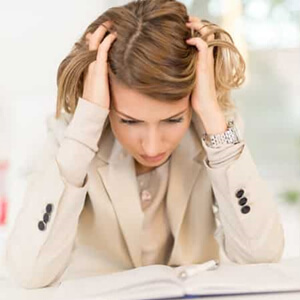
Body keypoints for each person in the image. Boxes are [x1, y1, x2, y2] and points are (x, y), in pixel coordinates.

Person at [5, 0, 284, 289]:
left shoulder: (215, 131)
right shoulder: (72, 135)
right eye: (129, 121)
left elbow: (261, 257)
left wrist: (214, 119)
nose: (152, 147)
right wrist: (86, 123)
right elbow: (29, 273)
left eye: (173, 120)